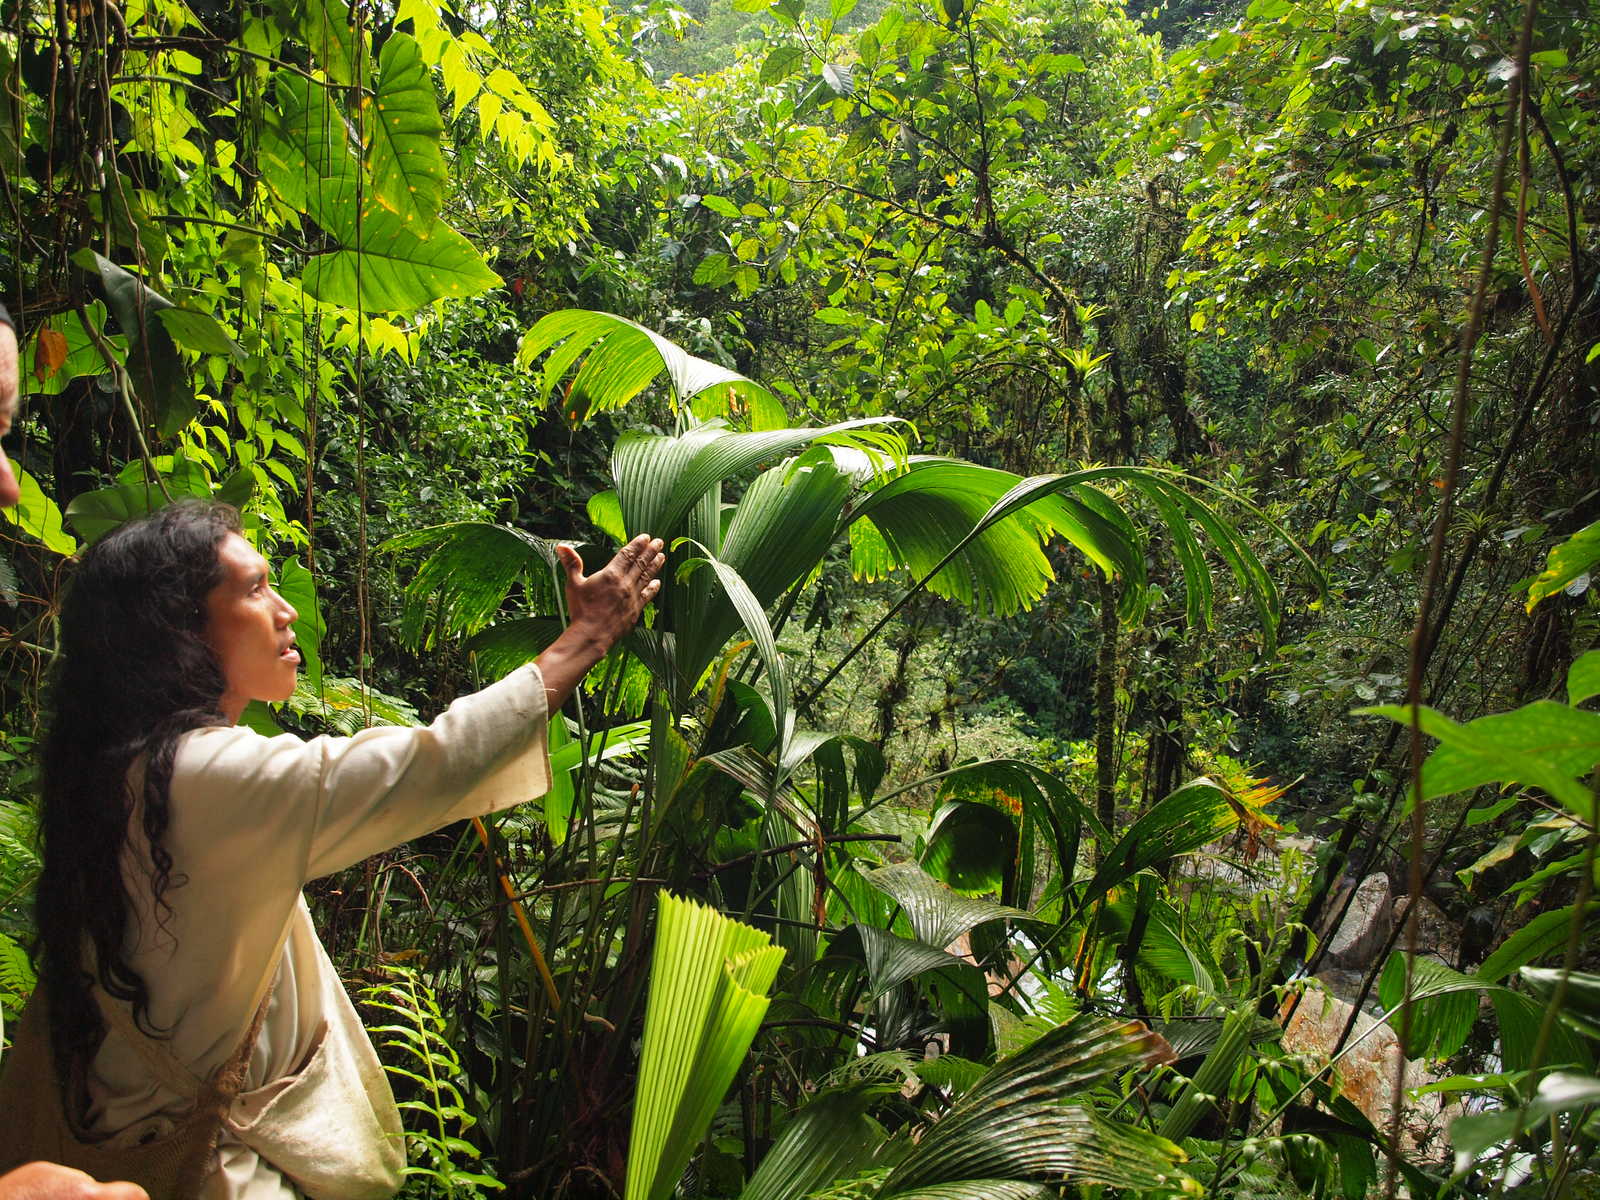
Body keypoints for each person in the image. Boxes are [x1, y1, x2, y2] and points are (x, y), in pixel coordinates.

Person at [0, 493, 664, 1197]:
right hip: (210, 1173)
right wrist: (586, 637)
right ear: (179, 629)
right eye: (255, 589)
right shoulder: (201, 777)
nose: (286, 611)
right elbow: (431, 765)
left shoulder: (122, 770)